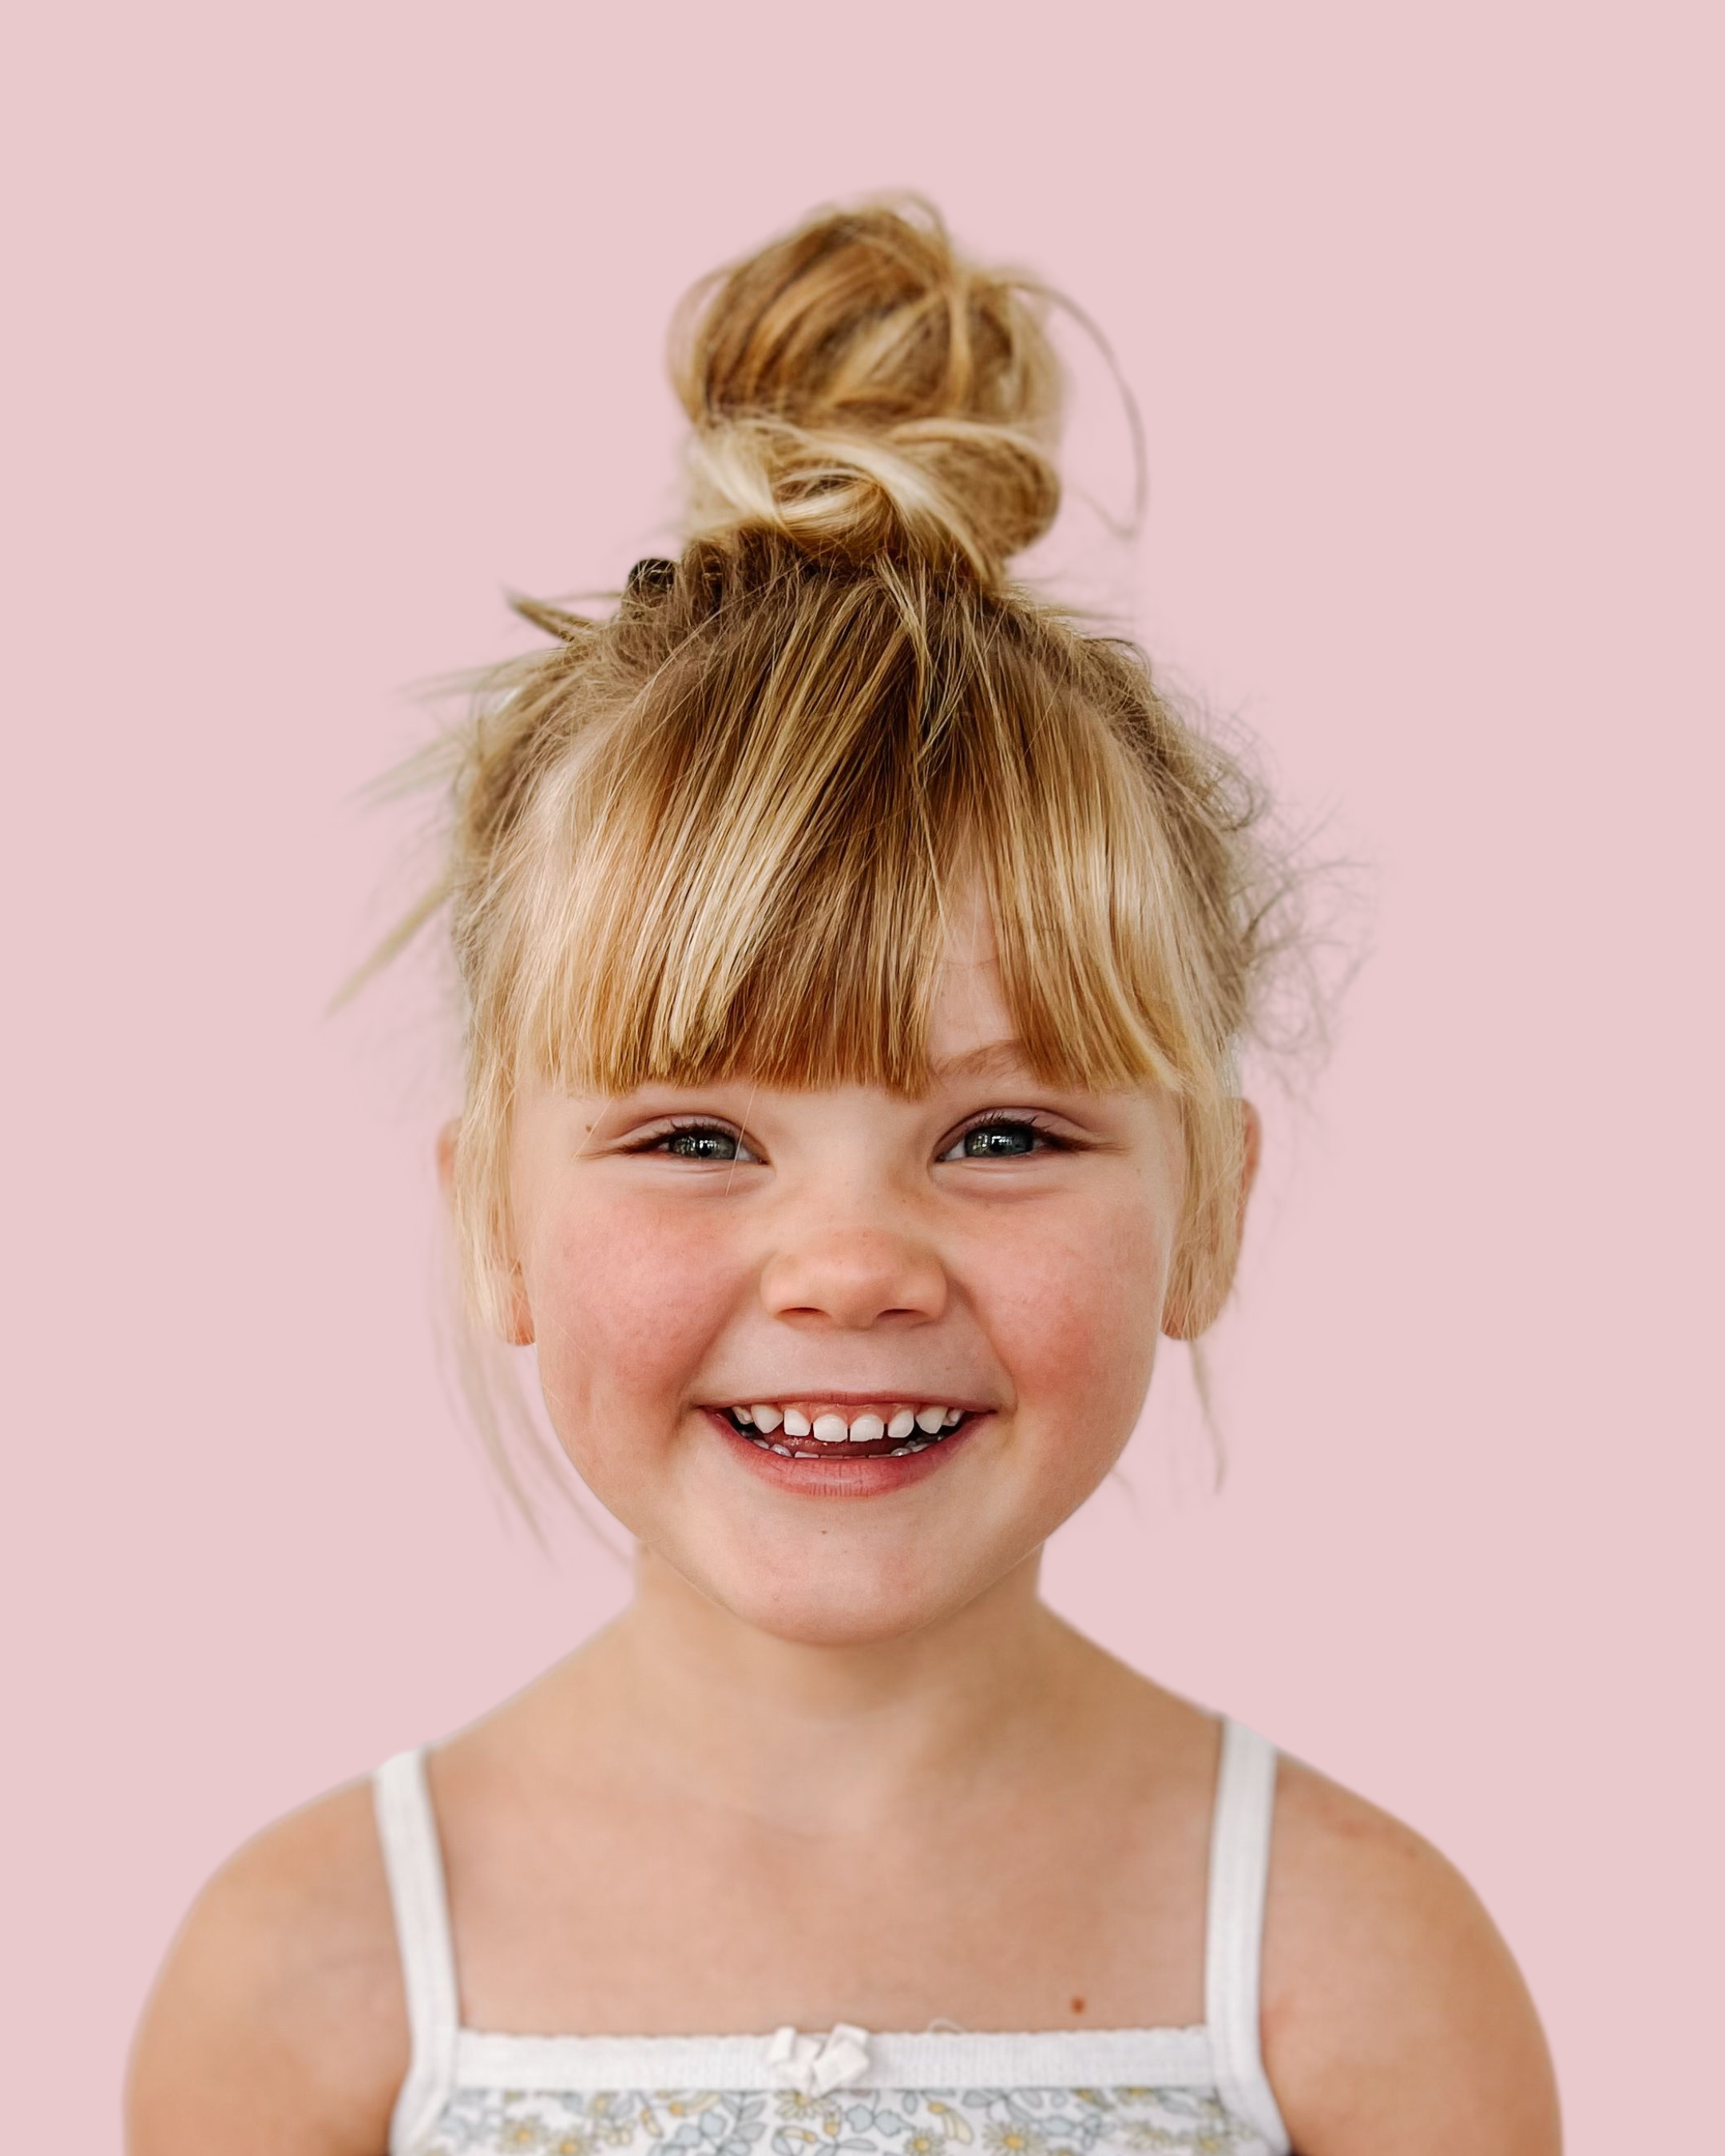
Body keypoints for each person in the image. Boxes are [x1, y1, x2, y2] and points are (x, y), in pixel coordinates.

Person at [125, 195, 1560, 2155]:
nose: (850, 1265)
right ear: (490, 1215)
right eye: (699, 1137)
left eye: (1001, 1135)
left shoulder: (1355, 1978)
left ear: (1210, 1207)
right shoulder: (310, 1989)